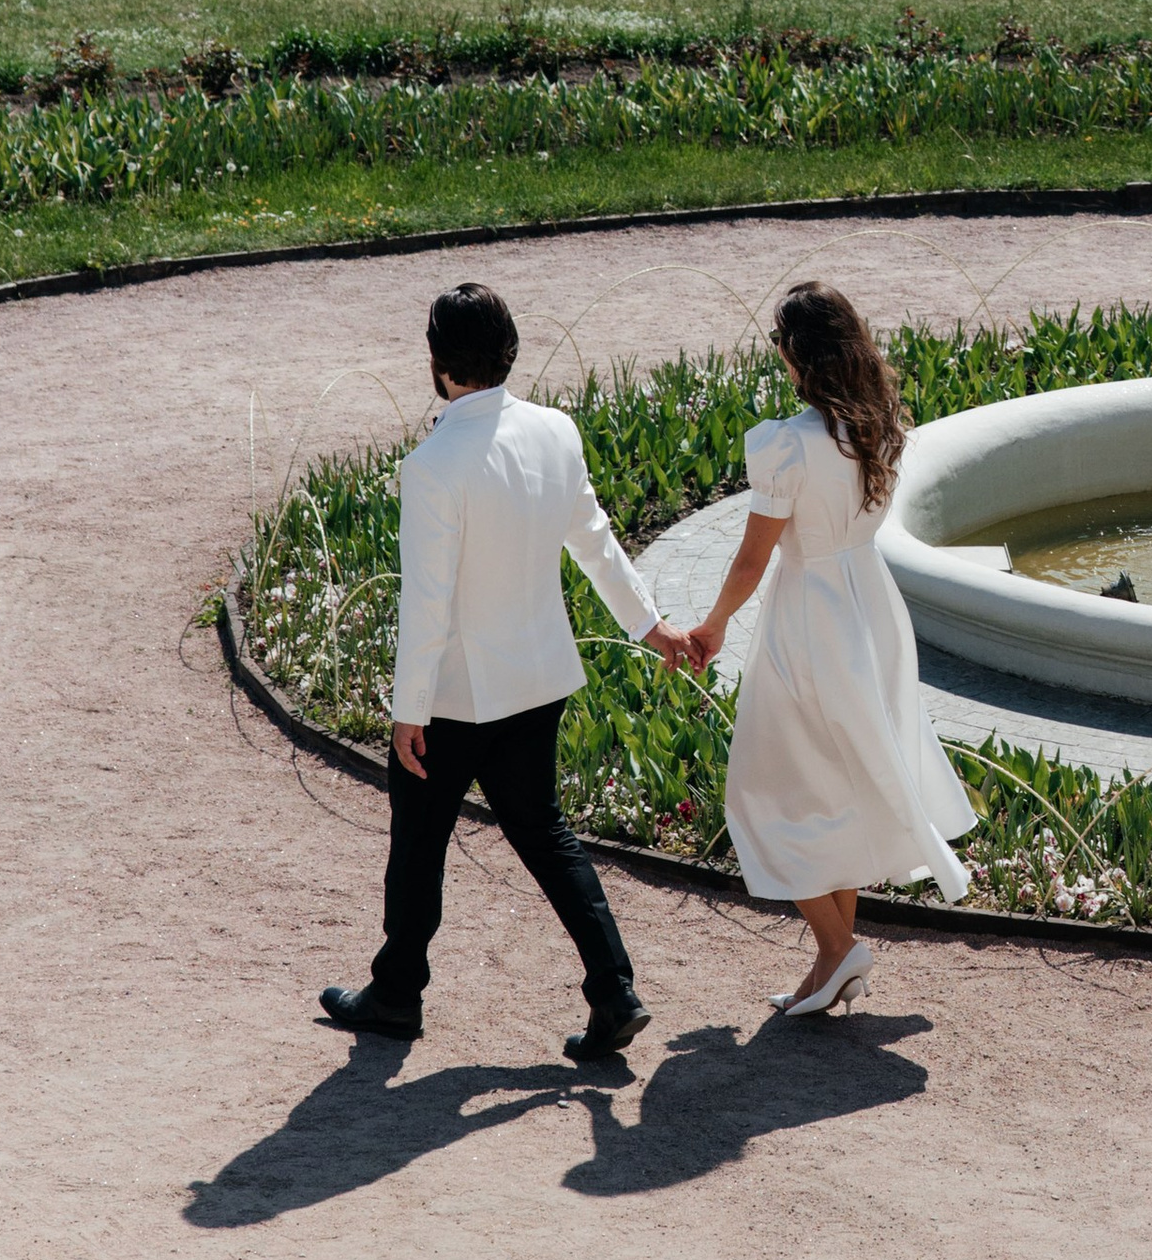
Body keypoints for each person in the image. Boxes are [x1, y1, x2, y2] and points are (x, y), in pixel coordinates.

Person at [319, 281, 691, 1068]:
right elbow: (596, 541)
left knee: (419, 844)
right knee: (546, 836)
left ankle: (397, 995)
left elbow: (427, 603)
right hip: (537, 680)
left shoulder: (432, 466)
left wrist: (407, 708)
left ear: (437, 362)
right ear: (509, 349)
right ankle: (614, 989)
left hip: (455, 696)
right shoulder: (554, 431)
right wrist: (648, 625)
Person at [678, 281, 975, 1017]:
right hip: (870, 609)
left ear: (796, 354)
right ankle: (828, 964)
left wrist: (712, 625)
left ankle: (842, 951)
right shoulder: (876, 428)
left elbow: (752, 561)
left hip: (809, 618)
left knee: (762, 790)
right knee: (835, 784)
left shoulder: (788, 444)